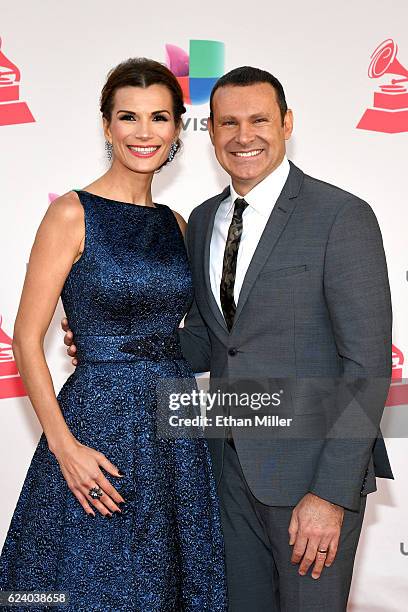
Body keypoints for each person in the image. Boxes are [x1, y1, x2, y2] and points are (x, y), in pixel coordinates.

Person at [64, 66, 394, 611]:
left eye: (259, 120)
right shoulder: (201, 220)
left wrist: (330, 495)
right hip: (222, 470)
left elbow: (366, 366)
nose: (244, 136)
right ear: (209, 132)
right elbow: (209, 341)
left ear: (287, 123)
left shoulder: (341, 217)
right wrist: (121, 342)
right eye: (228, 123)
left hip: (309, 479)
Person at [0, 58, 227, 611]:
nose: (143, 132)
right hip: (95, 429)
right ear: (107, 126)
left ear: (177, 129)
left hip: (175, 433)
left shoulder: (176, 224)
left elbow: (191, 329)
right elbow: (27, 339)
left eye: (159, 117)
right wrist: (65, 448)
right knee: (91, 588)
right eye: (128, 117)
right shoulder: (71, 214)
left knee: (170, 586)